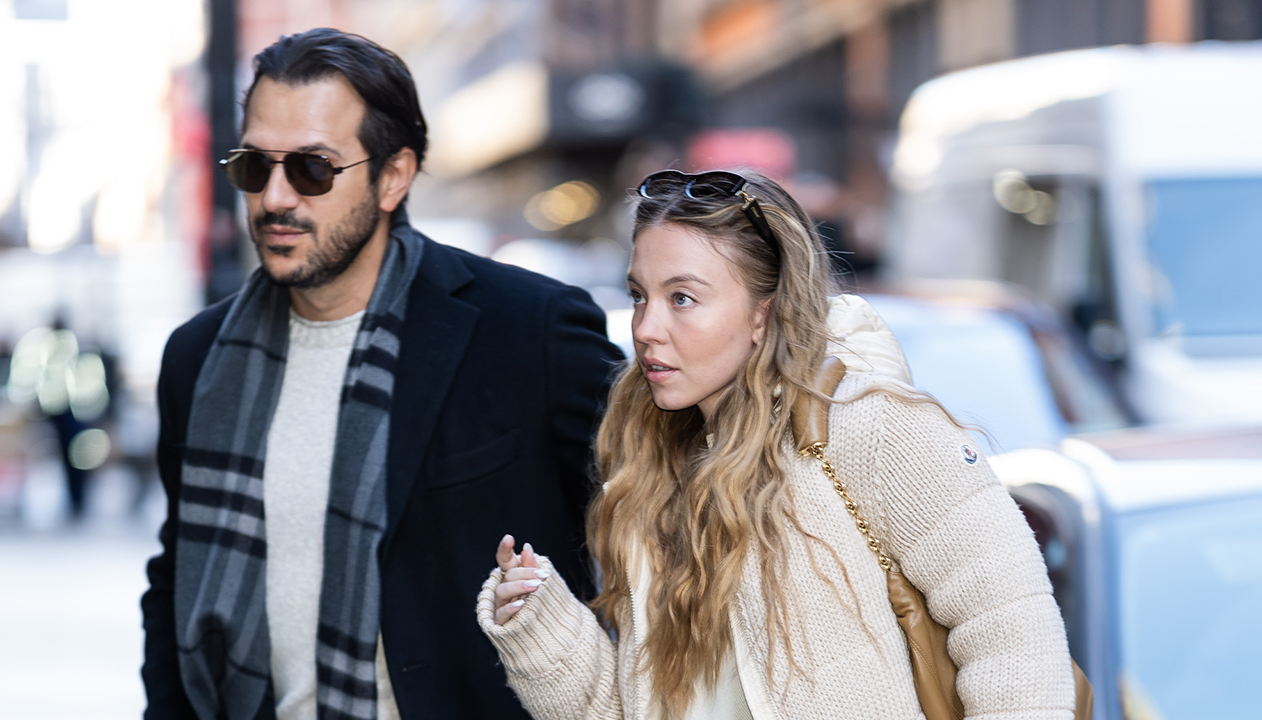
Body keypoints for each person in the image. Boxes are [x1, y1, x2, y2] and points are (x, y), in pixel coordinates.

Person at [141, 29, 622, 720]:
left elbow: (661, 528)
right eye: (254, 166)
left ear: (393, 175)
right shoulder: (198, 359)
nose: (275, 197)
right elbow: (177, 576)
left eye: (311, 168)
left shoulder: (529, 330)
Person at [475, 170, 1077, 719]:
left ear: (764, 313)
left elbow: (1016, 642)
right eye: (639, 294)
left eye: (682, 298)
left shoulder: (872, 428)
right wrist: (543, 629)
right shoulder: (653, 471)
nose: (646, 327)